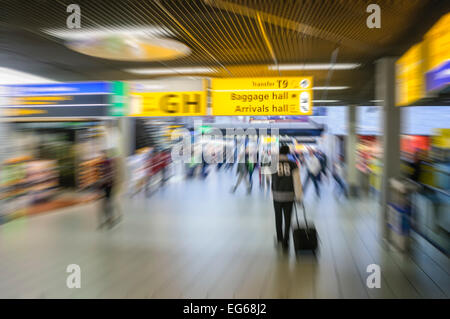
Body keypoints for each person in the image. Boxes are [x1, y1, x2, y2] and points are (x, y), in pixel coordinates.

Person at [271, 145, 303, 252]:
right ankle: (286, 241)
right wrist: (298, 197)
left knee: (278, 218)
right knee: (288, 218)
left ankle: (279, 240)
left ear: (279, 152)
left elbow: (268, 178)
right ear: (288, 153)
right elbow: (297, 182)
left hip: (277, 196)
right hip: (289, 195)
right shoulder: (293, 164)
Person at [98, 150, 116, 229]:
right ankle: (107, 219)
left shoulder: (108, 162)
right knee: (105, 203)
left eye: (103, 154)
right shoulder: (102, 163)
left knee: (108, 202)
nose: (102, 156)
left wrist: (107, 181)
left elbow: (110, 174)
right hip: (105, 185)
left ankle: (110, 219)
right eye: (101, 155)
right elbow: (102, 175)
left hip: (108, 185)